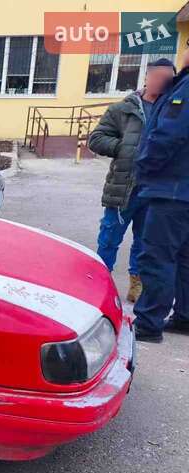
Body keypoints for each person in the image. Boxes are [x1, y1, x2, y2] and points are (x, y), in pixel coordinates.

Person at [89, 58, 176, 303]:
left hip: (155, 189)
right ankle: (100, 282)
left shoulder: (173, 110)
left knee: (144, 241)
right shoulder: (123, 109)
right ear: (147, 77)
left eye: (168, 79)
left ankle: (136, 285)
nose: (162, 83)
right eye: (157, 77)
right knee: (109, 237)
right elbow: (96, 139)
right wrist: (124, 148)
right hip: (124, 187)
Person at [133, 43, 189, 343]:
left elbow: (169, 135)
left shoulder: (185, 88)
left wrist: (143, 167)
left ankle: (149, 322)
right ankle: (184, 316)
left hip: (173, 190)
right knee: (183, 258)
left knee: (157, 256)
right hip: (182, 190)